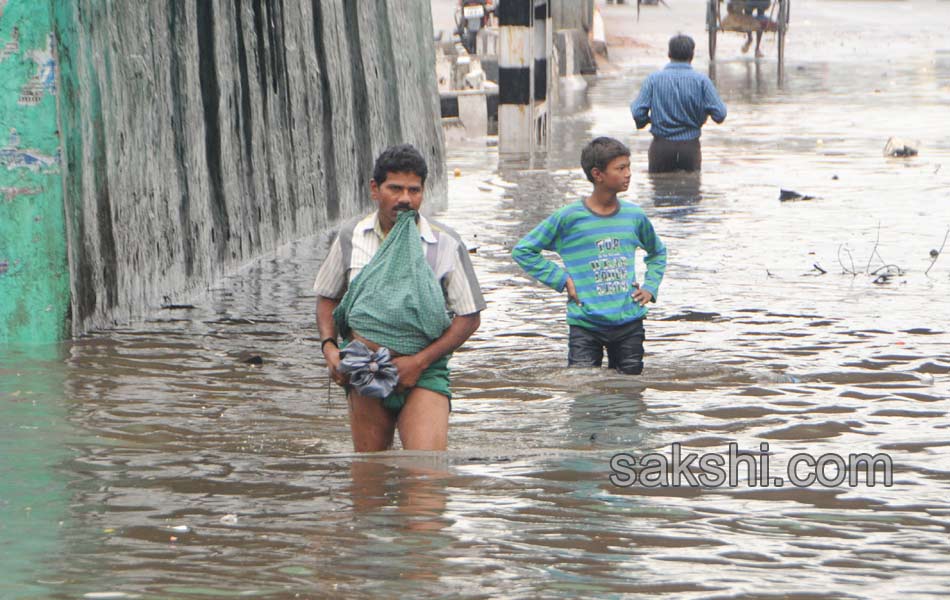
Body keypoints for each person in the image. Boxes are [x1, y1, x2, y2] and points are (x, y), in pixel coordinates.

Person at [314, 144, 485, 452]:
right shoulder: (351, 236)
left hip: (424, 371)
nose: (405, 199)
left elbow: (469, 316)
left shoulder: (443, 242)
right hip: (362, 368)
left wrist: (418, 363)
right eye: (395, 188)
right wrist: (329, 348)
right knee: (368, 480)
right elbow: (327, 297)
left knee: (426, 477)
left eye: (414, 190)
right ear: (375, 189)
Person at [511, 137, 667, 375]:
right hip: (585, 323)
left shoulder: (634, 216)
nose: (628, 174)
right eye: (620, 168)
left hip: (628, 321)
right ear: (598, 174)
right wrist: (563, 280)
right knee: (582, 387)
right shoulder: (569, 217)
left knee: (629, 390)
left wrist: (650, 287)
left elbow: (657, 252)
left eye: (628, 167)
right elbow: (524, 250)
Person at [630, 34, 727, 173]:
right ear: (692, 55)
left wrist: (649, 121)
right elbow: (720, 114)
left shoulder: (653, 80)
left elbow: (637, 112)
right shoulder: (702, 81)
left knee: (660, 189)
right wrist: (701, 115)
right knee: (690, 190)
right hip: (690, 148)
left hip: (661, 147)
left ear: (669, 54)